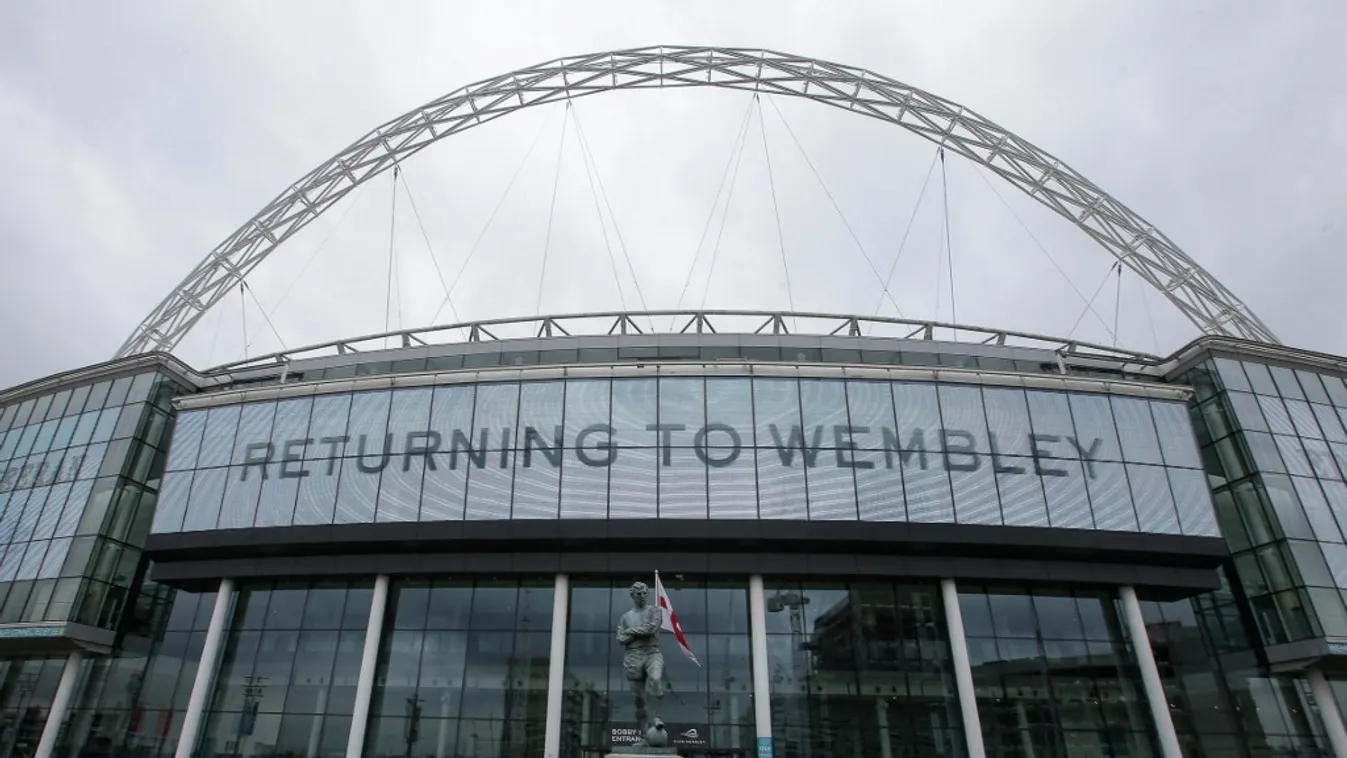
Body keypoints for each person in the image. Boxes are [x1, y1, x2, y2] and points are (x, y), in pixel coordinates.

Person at [616, 581, 666, 742]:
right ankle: (644, 735)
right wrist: (633, 634)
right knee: (638, 700)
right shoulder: (626, 617)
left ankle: (657, 717)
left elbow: (651, 628)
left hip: (652, 652)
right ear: (632, 595)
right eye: (639, 594)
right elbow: (620, 638)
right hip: (633, 656)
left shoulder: (655, 611)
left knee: (656, 678)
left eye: (645, 593)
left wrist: (630, 632)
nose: (642, 596)